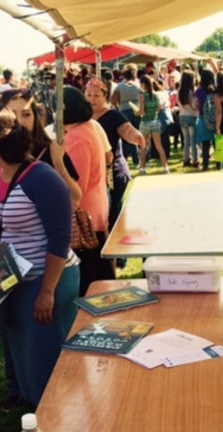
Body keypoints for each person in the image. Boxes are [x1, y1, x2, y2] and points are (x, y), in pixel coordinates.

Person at [0, 103, 79, 407]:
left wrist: (47, 291)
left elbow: (60, 239)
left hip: (45, 278)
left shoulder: (42, 178)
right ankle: (31, 404)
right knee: (19, 345)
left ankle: (56, 412)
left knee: (45, 352)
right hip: (8, 275)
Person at [62, 85, 115, 295]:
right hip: (95, 211)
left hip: (85, 219)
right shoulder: (89, 127)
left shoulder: (77, 137)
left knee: (93, 283)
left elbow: (77, 186)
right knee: (101, 278)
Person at [85, 77, 144, 231]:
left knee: (114, 214)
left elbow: (126, 129)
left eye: (96, 95)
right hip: (91, 173)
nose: (92, 99)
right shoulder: (82, 117)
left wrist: (136, 137)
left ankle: (119, 253)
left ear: (105, 96)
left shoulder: (113, 115)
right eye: (89, 95)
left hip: (113, 171)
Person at [110, 63, 143, 167]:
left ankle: (128, 158)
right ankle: (138, 160)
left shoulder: (120, 86)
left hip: (124, 111)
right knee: (138, 135)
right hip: (137, 111)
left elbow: (113, 101)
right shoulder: (138, 85)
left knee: (127, 136)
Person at [137, 75, 170, 175]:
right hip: (155, 122)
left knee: (143, 146)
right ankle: (165, 167)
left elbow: (142, 111)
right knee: (159, 146)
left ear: (143, 84)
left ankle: (143, 168)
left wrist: (137, 112)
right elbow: (159, 108)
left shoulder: (142, 96)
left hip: (145, 122)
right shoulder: (156, 95)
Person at [177, 70, 199, 168]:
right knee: (193, 140)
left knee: (186, 140)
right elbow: (193, 106)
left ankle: (186, 159)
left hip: (182, 116)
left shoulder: (179, 91)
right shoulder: (190, 92)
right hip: (191, 116)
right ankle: (195, 160)